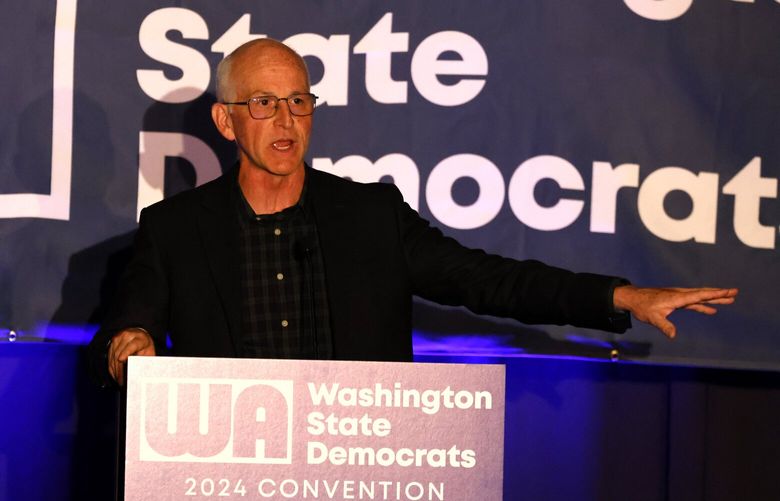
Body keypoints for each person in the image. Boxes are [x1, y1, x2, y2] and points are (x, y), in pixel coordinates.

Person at [88, 39, 737, 387]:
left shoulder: (368, 216)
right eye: (263, 104)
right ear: (225, 121)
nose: (286, 121)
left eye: (299, 101)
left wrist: (623, 295)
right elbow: (131, 319)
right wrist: (129, 346)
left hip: (362, 468)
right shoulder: (176, 230)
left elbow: (492, 280)